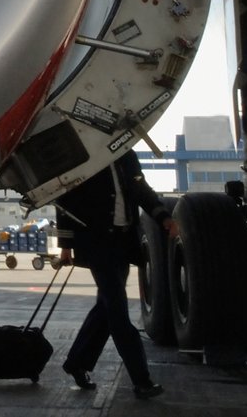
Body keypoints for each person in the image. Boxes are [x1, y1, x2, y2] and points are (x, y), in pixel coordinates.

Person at [55, 153, 172, 399]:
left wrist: (164, 216)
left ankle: (77, 362)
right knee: (118, 314)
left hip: (123, 243)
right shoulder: (85, 156)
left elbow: (140, 189)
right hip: (97, 245)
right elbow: (65, 198)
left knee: (105, 309)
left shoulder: (126, 155)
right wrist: (66, 244)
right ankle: (142, 381)